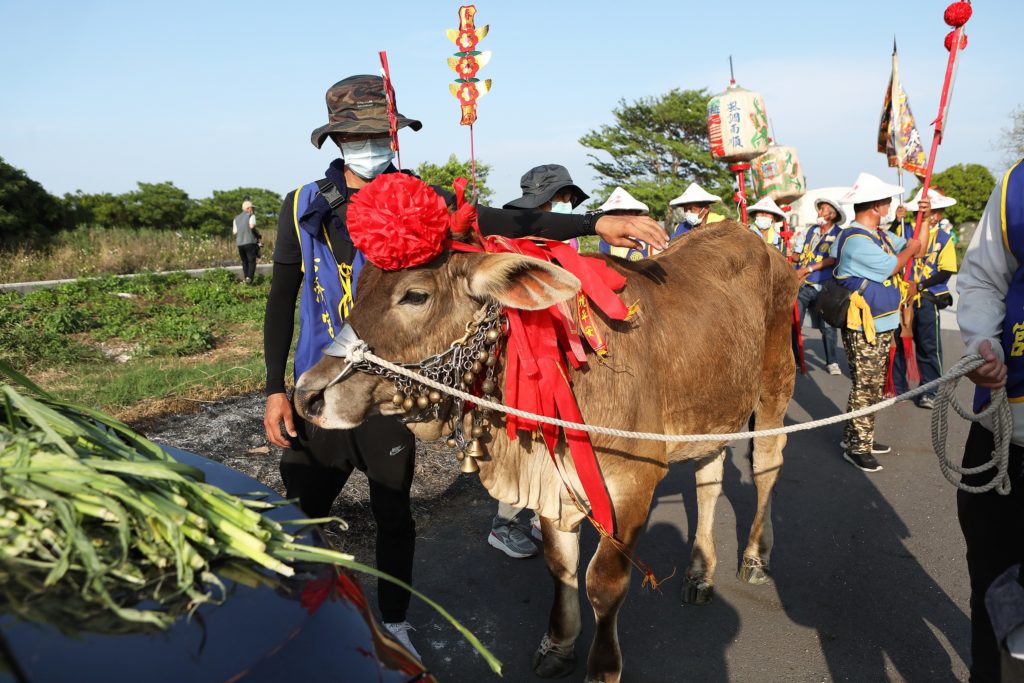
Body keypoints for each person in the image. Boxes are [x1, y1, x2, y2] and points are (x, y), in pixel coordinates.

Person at [263, 74, 667, 659]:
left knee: (393, 510)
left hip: (391, 377)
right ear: (336, 141)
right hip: (318, 377)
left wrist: (591, 224)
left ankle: (394, 624)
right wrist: (274, 387)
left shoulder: (423, 203)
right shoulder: (302, 206)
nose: (371, 146)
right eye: (359, 136)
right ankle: (302, 619)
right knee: (301, 510)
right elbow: (281, 295)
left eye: (382, 134)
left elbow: (509, 222)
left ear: (394, 137)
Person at [955, 158, 1024, 682]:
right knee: (995, 586)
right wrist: (982, 343)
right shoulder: (1017, 185)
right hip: (1009, 431)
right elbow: (980, 279)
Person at [831, 172, 923, 473]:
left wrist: (919, 220)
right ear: (877, 206)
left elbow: (914, 245)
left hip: (881, 322)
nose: (889, 205)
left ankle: (859, 437)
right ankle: (858, 446)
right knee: (866, 385)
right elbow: (893, 264)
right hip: (864, 324)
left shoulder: (878, 235)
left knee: (869, 385)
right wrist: (908, 250)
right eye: (886, 201)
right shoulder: (858, 241)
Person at [890, 188, 958, 409]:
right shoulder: (905, 230)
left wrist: (919, 285)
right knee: (898, 344)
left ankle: (930, 390)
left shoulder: (945, 238)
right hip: (901, 297)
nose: (932, 215)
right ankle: (897, 388)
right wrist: (895, 222)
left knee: (929, 347)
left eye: (936, 211)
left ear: (938, 214)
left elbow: (946, 271)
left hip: (927, 297)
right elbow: (889, 247)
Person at [794, 197, 845, 375]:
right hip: (804, 285)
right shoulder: (811, 231)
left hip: (825, 286)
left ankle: (832, 361)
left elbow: (833, 259)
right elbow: (798, 253)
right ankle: (797, 359)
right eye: (820, 209)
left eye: (823, 209)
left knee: (828, 326)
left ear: (833, 214)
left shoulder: (839, 233)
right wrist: (790, 253)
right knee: (795, 322)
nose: (820, 212)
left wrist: (808, 268)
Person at [503, 163, 588, 251]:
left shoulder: (572, 237)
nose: (568, 203)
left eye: (570, 198)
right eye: (562, 196)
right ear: (539, 204)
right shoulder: (521, 239)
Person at [598, 187, 651, 260]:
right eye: (616, 214)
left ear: (635, 214)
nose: (621, 217)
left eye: (627, 212)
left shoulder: (648, 238)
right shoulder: (606, 241)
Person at [233, 200, 259, 284]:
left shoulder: (236, 218)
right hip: (250, 242)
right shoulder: (251, 215)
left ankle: (246, 278)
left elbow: (235, 232)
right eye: (252, 208)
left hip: (240, 244)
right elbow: (252, 226)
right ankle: (249, 278)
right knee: (252, 261)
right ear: (248, 208)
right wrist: (257, 234)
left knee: (245, 261)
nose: (253, 210)